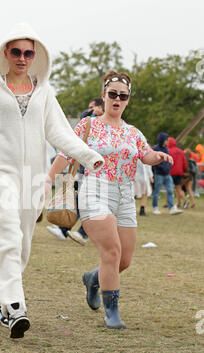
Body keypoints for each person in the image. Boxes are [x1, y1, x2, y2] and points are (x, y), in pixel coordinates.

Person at [0, 23, 103, 339]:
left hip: (32, 181)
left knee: (23, 243)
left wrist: (88, 155)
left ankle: (1, 301)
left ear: (36, 55)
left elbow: (59, 132)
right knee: (6, 237)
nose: (23, 57)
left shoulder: (44, 91)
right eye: (17, 51)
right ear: (5, 53)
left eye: (29, 52)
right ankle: (15, 306)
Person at [48, 71, 174, 330]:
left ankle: (94, 278)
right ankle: (112, 312)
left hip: (125, 195)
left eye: (123, 96)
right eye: (113, 94)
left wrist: (158, 157)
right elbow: (66, 154)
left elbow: (145, 155)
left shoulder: (133, 132)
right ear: (104, 96)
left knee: (123, 261)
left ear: (128, 100)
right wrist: (48, 180)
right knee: (112, 252)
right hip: (95, 189)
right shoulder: (88, 125)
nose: (117, 99)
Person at [47, 98, 105, 245]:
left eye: (93, 107)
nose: (90, 109)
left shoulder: (108, 124)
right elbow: (82, 123)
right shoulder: (89, 120)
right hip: (83, 169)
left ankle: (79, 232)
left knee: (90, 204)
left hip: (98, 172)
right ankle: (65, 229)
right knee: (78, 200)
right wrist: (90, 112)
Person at [151, 132, 182, 215]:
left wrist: (168, 168)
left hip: (167, 174)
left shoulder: (166, 149)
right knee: (156, 191)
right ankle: (155, 207)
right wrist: (163, 168)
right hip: (159, 174)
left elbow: (167, 160)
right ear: (162, 140)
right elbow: (155, 161)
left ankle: (171, 208)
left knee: (170, 190)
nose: (168, 141)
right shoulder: (155, 148)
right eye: (166, 140)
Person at [167, 137, 187, 208]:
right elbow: (185, 162)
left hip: (171, 172)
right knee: (178, 188)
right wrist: (183, 170)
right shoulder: (181, 151)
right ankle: (179, 203)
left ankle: (184, 201)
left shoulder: (168, 151)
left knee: (169, 188)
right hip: (179, 172)